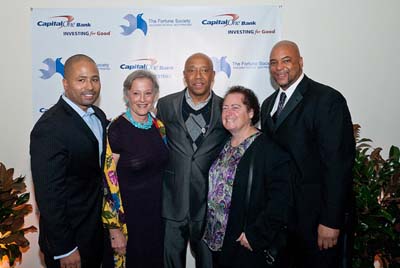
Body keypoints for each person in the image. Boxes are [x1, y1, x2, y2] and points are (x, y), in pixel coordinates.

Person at [261, 40, 355, 268]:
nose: (279, 67)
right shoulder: (267, 105)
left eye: (286, 60)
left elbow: (338, 164)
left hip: (317, 222)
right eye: (273, 63)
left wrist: (330, 221)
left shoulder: (327, 100)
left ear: (300, 62)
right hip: (282, 223)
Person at [203, 86, 293, 268]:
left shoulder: (268, 150)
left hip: (244, 243)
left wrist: (257, 234)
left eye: (235, 107)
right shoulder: (223, 145)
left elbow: (282, 199)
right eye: (225, 108)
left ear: (251, 112)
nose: (228, 112)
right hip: (216, 241)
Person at [30, 54, 106, 268]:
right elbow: (48, 196)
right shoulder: (50, 128)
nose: (89, 86)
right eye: (81, 80)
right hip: (68, 243)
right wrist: (65, 247)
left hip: (93, 234)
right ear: (65, 83)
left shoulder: (98, 116)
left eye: (94, 79)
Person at [157, 52, 229, 268]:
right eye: (192, 70)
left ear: (213, 75)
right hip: (173, 201)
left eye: (204, 70)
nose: (198, 76)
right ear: (184, 75)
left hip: (209, 204)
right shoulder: (165, 105)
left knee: (208, 264)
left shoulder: (226, 107)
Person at [102, 70, 169, 268]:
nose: (142, 99)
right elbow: (106, 182)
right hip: (128, 222)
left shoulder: (159, 126)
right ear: (127, 95)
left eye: (147, 93)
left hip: (156, 219)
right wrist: (114, 229)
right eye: (136, 93)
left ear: (155, 95)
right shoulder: (116, 130)